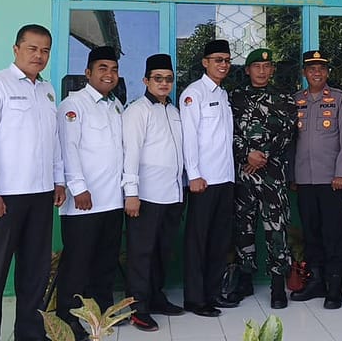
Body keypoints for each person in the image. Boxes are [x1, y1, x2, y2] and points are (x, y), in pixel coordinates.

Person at [0, 24, 66, 341]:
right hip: (4, 197)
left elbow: (53, 141)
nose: (39, 56)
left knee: (35, 272)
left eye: (45, 50)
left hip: (41, 195)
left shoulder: (47, 91)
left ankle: (30, 334)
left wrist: (58, 180)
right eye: (32, 48)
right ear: (16, 49)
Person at [54, 46, 125, 340]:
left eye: (114, 69)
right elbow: (67, 149)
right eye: (102, 69)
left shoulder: (116, 106)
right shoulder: (73, 105)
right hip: (84, 201)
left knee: (106, 260)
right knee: (77, 263)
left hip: (112, 199)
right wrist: (78, 188)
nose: (109, 75)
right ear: (88, 73)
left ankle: (102, 313)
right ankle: (67, 318)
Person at [225, 48, 297, 309]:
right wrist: (247, 154)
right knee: (243, 227)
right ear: (247, 70)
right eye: (257, 66)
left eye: (267, 67)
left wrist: (263, 155)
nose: (262, 71)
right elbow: (228, 131)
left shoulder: (284, 98)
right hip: (244, 173)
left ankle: (277, 287)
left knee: (276, 229)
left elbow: (288, 132)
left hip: (272, 174)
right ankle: (244, 280)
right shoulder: (234, 98)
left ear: (272, 70)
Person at [121, 53, 186, 332]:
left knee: (162, 251)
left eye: (168, 79)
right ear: (146, 80)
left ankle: (156, 297)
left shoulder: (174, 111)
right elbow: (131, 154)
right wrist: (131, 193)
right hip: (146, 196)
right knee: (141, 254)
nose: (164, 83)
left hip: (172, 194)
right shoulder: (137, 111)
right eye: (158, 78)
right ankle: (138, 308)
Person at [289, 50, 342, 310]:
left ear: (327, 72)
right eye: (311, 69)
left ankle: (334, 287)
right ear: (304, 73)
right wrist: (293, 175)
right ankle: (315, 282)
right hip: (304, 179)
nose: (317, 73)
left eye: (321, 68)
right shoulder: (296, 100)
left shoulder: (339, 99)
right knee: (311, 232)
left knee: (333, 234)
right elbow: (291, 141)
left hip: (332, 180)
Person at [180, 40, 237, 317]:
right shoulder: (194, 93)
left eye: (226, 60)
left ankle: (213, 293)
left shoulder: (223, 94)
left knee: (219, 240)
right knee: (198, 242)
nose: (223, 65)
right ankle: (195, 298)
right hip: (203, 180)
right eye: (217, 60)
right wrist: (194, 174)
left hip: (225, 178)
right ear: (205, 62)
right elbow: (189, 137)